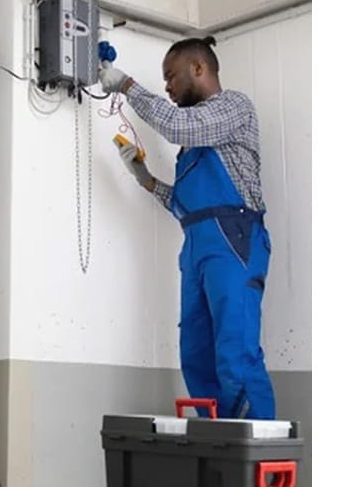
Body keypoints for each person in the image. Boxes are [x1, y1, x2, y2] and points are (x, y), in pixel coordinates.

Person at [99, 36, 275, 420]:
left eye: (170, 77)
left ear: (199, 68)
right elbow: (185, 206)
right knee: (196, 356)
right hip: (197, 246)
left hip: (235, 243)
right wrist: (145, 179)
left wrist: (128, 85)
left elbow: (178, 126)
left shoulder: (233, 108)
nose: (167, 88)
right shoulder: (193, 148)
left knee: (235, 353)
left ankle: (258, 464)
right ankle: (218, 457)